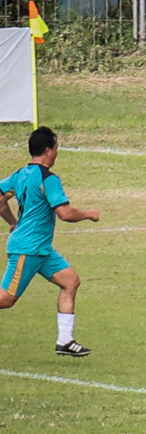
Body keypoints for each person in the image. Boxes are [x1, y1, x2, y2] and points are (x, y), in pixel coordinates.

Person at [0, 126, 100, 356]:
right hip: (28, 248)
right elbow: (64, 213)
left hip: (41, 249)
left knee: (71, 281)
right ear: (47, 151)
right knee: (5, 299)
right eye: (55, 149)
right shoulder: (49, 179)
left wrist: (12, 222)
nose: (56, 153)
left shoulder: (20, 174)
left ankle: (65, 341)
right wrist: (88, 213)